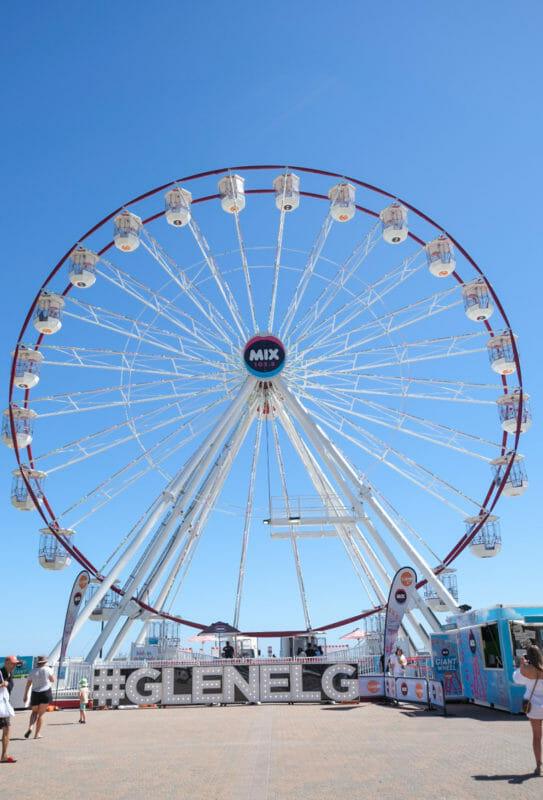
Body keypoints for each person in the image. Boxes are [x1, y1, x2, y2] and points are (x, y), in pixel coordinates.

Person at [513, 644, 543, 776]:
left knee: (537, 737)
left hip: (534, 708)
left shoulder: (526, 670)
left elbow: (516, 679)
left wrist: (522, 663)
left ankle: (539, 766)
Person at [23, 655, 55, 739]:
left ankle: (30, 727)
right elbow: (52, 680)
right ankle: (36, 734)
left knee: (34, 712)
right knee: (41, 714)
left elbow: (28, 685)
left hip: (35, 693)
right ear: (45, 662)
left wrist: (25, 695)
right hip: (45, 693)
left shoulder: (32, 671)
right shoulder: (48, 670)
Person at [0, 655, 22, 763]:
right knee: (6, 729)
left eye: (15, 664)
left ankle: (4, 755)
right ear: (6, 663)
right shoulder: (0, 673)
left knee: (7, 729)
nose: (14, 666)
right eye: (12, 663)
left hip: (4, 706)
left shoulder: (10, 674)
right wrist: (1, 685)